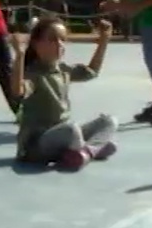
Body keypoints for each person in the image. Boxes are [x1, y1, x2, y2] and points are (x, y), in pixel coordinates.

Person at [12, 18, 118, 170]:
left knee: (108, 121)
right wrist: (20, 56)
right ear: (36, 44)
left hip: (65, 136)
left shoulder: (64, 70)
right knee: (71, 129)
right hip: (36, 145)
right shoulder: (33, 74)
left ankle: (84, 152)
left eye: (62, 39)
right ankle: (92, 149)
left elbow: (92, 72)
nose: (59, 44)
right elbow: (18, 91)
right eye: (53, 39)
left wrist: (104, 41)